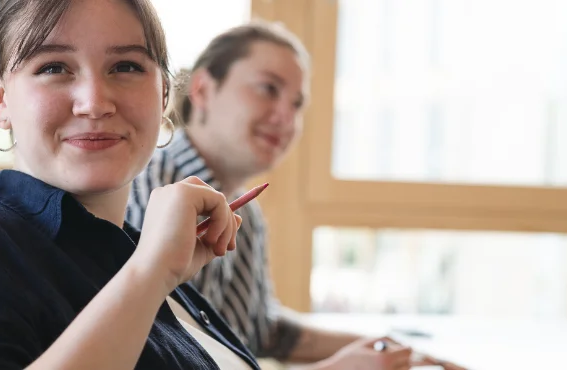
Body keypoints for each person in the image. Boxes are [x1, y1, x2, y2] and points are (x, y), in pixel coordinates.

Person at [0, 1, 423, 369]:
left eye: (125, 66)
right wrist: (149, 273)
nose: (95, 101)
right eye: (53, 67)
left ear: (165, 93)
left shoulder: (144, 262)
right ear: (0, 98)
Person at [127, 22, 464, 370]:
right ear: (202, 89)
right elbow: (158, 351)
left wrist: (395, 351)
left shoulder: (249, 213)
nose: (286, 117)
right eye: (268, 89)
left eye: (298, 104)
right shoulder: (150, 186)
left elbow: (263, 331)